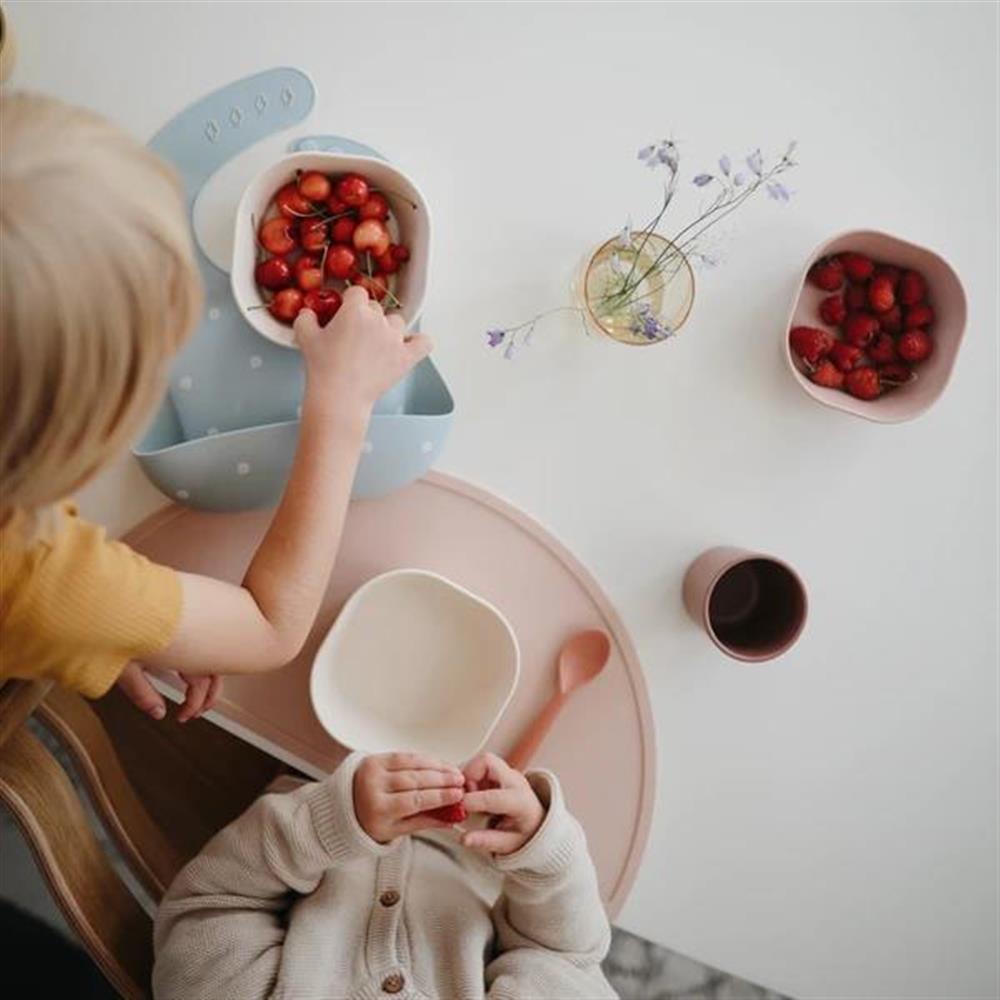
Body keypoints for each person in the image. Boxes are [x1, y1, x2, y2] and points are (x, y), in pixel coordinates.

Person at [0, 92, 430, 720]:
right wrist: (340, 406)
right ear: (84, 441)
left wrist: (88, 631)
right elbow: (269, 629)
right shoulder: (36, 578)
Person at [153, 750, 617, 999]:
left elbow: (214, 901)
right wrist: (542, 849)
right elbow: (564, 955)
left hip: (309, 775)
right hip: (489, 839)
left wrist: (334, 820)